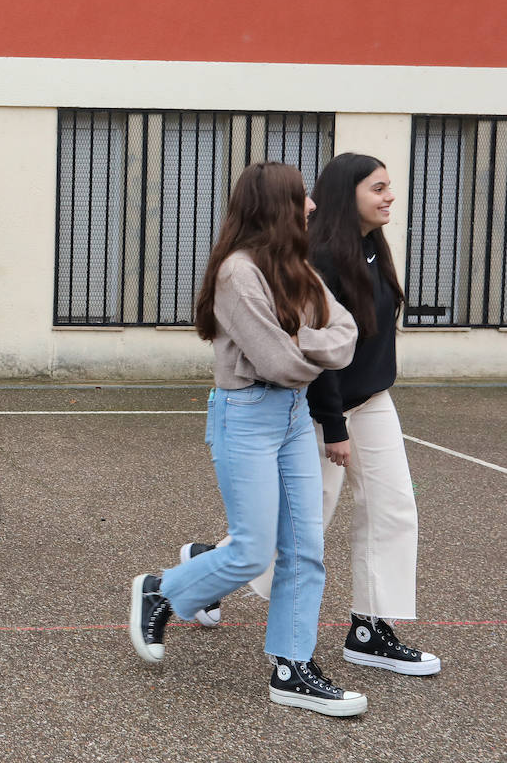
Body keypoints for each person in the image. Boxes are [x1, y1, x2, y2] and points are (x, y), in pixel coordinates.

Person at [128, 161, 365, 717]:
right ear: (276, 205)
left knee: (306, 550)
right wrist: (305, 346)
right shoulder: (237, 273)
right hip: (247, 415)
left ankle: (292, 668)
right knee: (253, 548)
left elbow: (347, 334)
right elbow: (278, 363)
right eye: (302, 198)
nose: (311, 206)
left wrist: (296, 337)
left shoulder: (298, 266)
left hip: (291, 417)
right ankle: (162, 589)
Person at [199, 155, 438, 674]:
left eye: (388, 187)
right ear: (345, 194)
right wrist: (334, 426)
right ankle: (207, 570)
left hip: (373, 400)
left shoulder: (373, 247)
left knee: (394, 508)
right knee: (300, 530)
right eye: (378, 188)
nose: (389, 196)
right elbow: (311, 358)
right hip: (319, 410)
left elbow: (360, 338)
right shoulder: (320, 256)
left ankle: (370, 627)